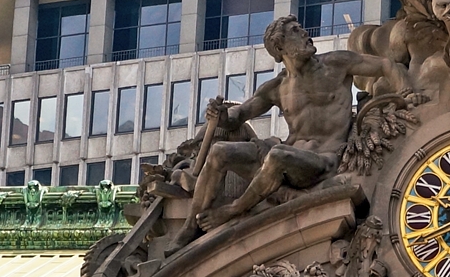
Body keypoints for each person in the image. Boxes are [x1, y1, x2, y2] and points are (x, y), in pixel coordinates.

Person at [170, 16, 409, 249]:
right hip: (287, 156)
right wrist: (221, 116)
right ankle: (191, 227)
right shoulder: (277, 87)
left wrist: (407, 91)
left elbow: (386, 66)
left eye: (301, 28)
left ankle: (233, 209)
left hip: (323, 160)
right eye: (296, 31)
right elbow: (240, 114)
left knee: (277, 155)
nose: (305, 33)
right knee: (219, 151)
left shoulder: (336, 64)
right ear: (279, 46)